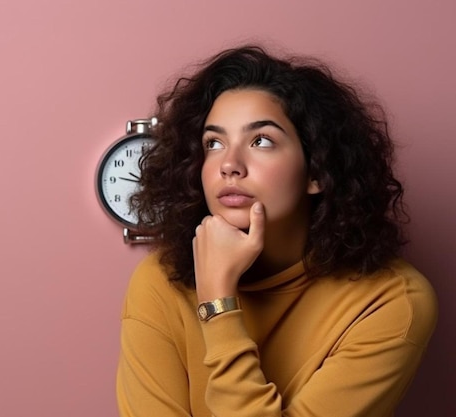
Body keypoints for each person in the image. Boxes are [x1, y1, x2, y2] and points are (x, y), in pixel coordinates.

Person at [116, 44, 437, 417]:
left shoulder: (391, 302)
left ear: (316, 171)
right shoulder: (159, 283)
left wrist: (217, 303)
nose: (229, 165)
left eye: (261, 141)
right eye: (214, 143)